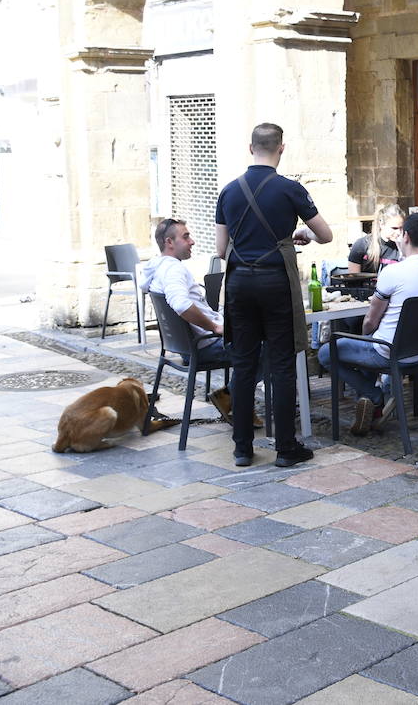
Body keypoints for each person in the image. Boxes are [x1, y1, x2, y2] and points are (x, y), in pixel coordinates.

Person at [215, 123, 332, 468]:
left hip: (239, 284)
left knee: (244, 364)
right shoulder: (290, 189)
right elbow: (324, 235)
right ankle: (285, 447)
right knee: (281, 365)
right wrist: (298, 236)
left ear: (250, 148)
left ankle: (242, 448)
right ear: (282, 148)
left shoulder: (229, 191)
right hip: (275, 283)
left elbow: (222, 250)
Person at [319, 213, 418, 436]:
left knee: (326, 352)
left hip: (388, 351)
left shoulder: (393, 272)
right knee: (362, 349)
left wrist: (366, 335)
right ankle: (370, 404)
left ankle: (373, 395)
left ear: (405, 236)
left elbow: (370, 320)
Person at [139, 218, 226, 367]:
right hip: (206, 347)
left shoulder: (157, 268)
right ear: (169, 242)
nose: (192, 241)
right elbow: (181, 305)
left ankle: (235, 389)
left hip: (188, 347)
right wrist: (214, 327)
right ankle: (231, 391)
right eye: (185, 237)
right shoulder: (173, 270)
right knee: (266, 346)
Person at [347, 203, 404, 274]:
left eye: (401, 228)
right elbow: (353, 278)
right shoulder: (361, 245)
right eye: (394, 228)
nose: (399, 232)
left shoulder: (402, 248)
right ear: (382, 224)